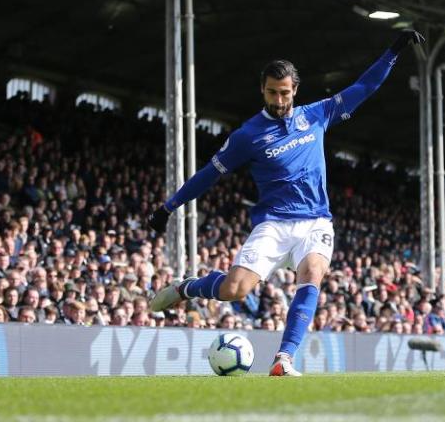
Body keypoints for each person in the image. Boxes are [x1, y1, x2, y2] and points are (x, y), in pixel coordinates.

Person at [147, 28, 424, 376]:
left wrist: (394, 51)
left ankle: (284, 358)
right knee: (235, 289)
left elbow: (363, 88)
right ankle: (187, 287)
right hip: (274, 224)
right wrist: (168, 207)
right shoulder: (247, 135)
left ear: (295, 90)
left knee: (313, 274)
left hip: (316, 221)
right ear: (262, 90)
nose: (279, 101)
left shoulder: (318, 114)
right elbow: (208, 174)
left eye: (285, 93)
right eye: (272, 93)